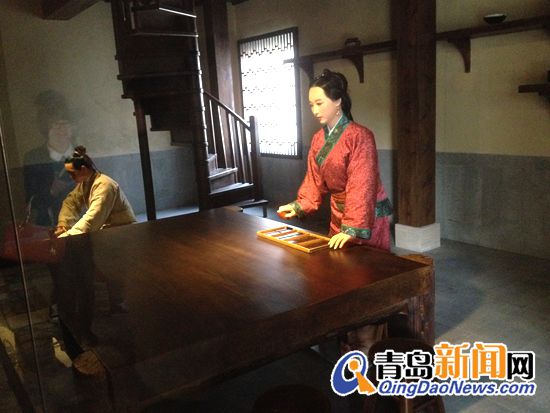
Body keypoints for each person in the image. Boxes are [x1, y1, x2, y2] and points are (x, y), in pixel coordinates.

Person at [278, 69, 392, 251]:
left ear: (338, 101)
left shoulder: (360, 136)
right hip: (338, 212)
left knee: (367, 263)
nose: (315, 111)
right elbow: (314, 181)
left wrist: (353, 226)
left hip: (365, 215)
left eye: (319, 103)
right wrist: (300, 205)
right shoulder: (318, 139)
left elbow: (362, 184)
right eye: (311, 105)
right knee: (338, 261)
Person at [55, 146, 136, 237]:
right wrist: (64, 224)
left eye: (72, 173)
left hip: (124, 233)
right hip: (108, 233)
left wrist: (67, 235)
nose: (71, 177)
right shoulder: (86, 183)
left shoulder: (105, 185)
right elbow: (71, 202)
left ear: (83, 169)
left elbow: (93, 218)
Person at [24, 90, 76, 226]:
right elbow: (30, 204)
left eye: (65, 123)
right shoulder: (33, 158)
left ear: (72, 127)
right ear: (45, 128)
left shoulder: (85, 154)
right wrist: (50, 191)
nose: (61, 129)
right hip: (49, 228)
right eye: (55, 124)